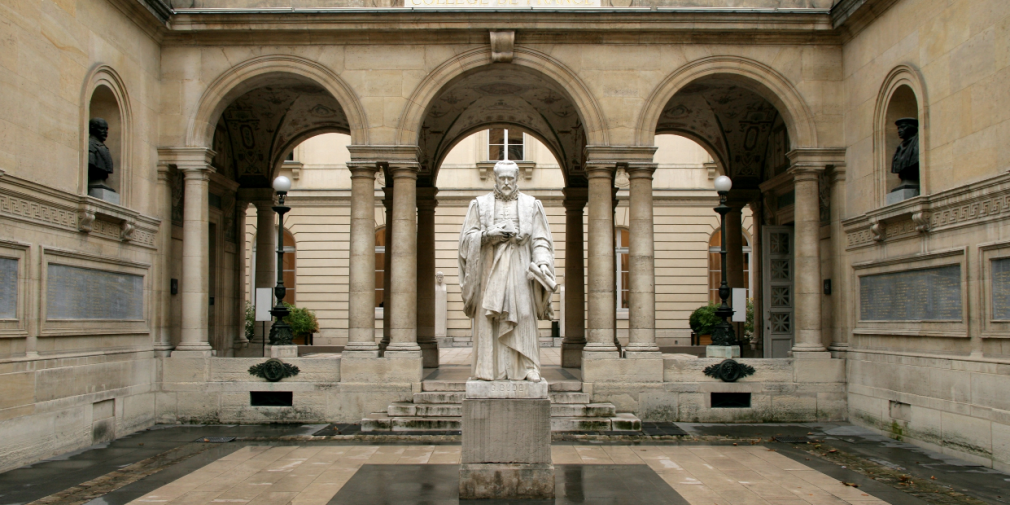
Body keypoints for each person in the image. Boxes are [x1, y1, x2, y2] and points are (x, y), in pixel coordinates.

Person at [458, 160, 557, 381]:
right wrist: (486, 236)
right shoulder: (479, 204)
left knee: (523, 314)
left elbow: (541, 240)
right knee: (490, 318)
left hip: (521, 268)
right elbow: (465, 242)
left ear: (517, 179)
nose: (505, 183)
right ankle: (489, 369)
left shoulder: (532, 205)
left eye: (510, 178)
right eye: (501, 178)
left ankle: (528, 367)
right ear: (495, 178)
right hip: (489, 269)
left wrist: (542, 263)